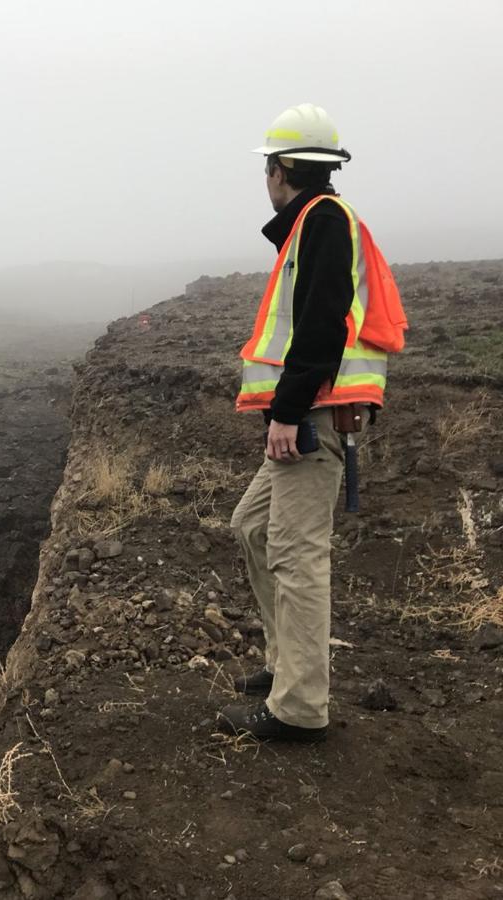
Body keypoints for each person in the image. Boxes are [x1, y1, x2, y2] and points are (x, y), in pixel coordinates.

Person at [218, 103, 407, 742]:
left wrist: (287, 411)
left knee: (298, 555)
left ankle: (298, 707)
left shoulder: (323, 222)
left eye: (267, 168)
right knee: (251, 527)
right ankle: (284, 666)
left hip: (316, 416)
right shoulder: (313, 223)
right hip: (313, 412)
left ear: (279, 169)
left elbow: (321, 324)